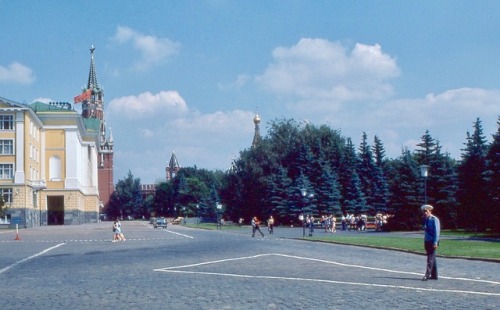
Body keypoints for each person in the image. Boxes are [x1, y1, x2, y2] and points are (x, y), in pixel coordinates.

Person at [421, 204, 440, 281]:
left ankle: (427, 275)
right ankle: (434, 275)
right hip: (427, 241)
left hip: (432, 241)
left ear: (430, 211)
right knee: (432, 258)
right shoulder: (426, 219)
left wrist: (435, 242)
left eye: (426, 211)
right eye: (424, 211)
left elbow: (437, 232)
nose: (425, 213)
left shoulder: (434, 219)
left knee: (430, 258)